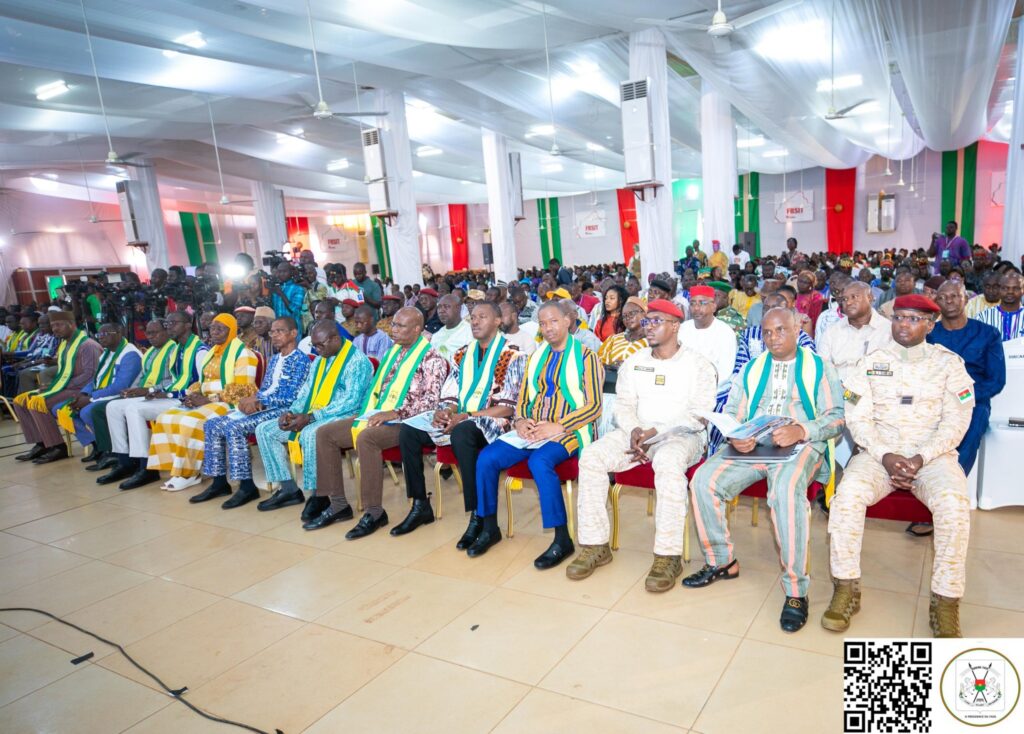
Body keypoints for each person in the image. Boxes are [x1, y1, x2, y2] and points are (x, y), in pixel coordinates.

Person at [685, 308, 845, 633]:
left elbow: (837, 417)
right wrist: (735, 433)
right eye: (767, 332)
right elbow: (731, 409)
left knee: (785, 492)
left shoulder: (818, 366)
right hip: (754, 445)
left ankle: (796, 591)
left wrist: (802, 430)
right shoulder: (753, 368)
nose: (773, 338)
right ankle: (721, 561)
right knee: (703, 480)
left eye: (780, 330)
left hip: (801, 445)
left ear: (798, 327)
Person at [825, 295, 973, 638]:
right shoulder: (871, 362)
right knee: (845, 499)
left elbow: (957, 420)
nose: (903, 325)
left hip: (933, 458)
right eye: (898, 317)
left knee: (953, 506)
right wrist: (885, 454)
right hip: (878, 457)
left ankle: (946, 602)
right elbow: (856, 415)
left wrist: (921, 457)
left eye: (912, 319)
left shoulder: (950, 365)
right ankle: (846, 588)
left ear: (930, 325)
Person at [568, 300, 717, 590]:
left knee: (668, 462)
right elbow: (622, 405)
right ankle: (595, 545)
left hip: (681, 436)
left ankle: (667, 555)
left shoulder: (698, 364)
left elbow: (699, 414)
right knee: (592, 456)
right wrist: (634, 429)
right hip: (635, 432)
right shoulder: (636, 362)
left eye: (656, 321)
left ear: (675, 325)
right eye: (647, 321)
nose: (648, 327)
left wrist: (656, 431)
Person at [470, 300, 603, 569]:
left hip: (570, 429)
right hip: (533, 427)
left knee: (539, 462)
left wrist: (560, 426)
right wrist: (520, 421)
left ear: (568, 320)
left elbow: (594, 405)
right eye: (543, 323)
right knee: (486, 458)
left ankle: (562, 538)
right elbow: (523, 397)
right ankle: (488, 526)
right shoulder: (536, 356)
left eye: (554, 321)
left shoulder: (586, 356)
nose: (548, 327)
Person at [310, 307, 449, 535]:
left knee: (367, 438)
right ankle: (337, 504)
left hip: (409, 422)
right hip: (379, 414)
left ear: (417, 329)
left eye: (400, 326)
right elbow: (377, 390)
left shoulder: (433, 359)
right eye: (393, 324)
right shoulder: (391, 353)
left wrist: (394, 413)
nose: (393, 330)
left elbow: (431, 403)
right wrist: (369, 412)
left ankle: (374, 512)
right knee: (325, 433)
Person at [396, 301, 527, 539]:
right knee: (408, 430)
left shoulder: (513, 356)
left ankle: (478, 515)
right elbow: (451, 394)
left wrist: (466, 416)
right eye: (473, 317)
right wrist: (446, 410)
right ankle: (419, 504)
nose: (475, 321)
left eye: (482, 317)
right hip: (462, 417)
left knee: (462, 432)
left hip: (495, 423)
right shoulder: (463, 354)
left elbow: (508, 409)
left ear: (498, 322)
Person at [254, 319, 372, 522]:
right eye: (314, 346)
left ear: (336, 339)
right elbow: (305, 392)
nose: (316, 350)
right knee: (265, 429)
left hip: (345, 416)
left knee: (310, 433)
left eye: (320, 345)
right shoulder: (319, 360)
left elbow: (350, 402)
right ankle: (288, 488)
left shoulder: (357, 362)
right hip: (314, 413)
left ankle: (320, 494)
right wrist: (291, 412)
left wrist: (311, 417)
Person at [195, 317, 311, 508]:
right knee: (212, 424)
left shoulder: (300, 360)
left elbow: (291, 397)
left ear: (293, 333)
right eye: (272, 332)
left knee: (234, 428)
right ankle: (219, 483)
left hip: (282, 411)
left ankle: (247, 487)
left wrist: (259, 401)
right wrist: (248, 401)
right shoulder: (274, 360)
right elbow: (264, 389)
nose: (274, 335)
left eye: (280, 331)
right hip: (265, 406)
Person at [147, 314, 258, 492]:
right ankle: (176, 469)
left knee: (190, 421)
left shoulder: (244, 353)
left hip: (229, 403)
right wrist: (192, 394)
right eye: (212, 328)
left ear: (232, 331)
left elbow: (243, 389)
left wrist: (209, 399)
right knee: (166, 417)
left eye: (220, 328)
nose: (214, 331)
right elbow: (201, 381)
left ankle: (188, 473)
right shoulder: (212, 352)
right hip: (207, 400)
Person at [928, 281, 1005, 475]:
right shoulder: (929, 335)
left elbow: (996, 380)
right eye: (943, 298)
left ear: (966, 298)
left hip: (974, 400)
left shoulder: (988, 334)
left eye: (954, 296)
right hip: (935, 398)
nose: (949, 301)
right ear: (936, 302)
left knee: (974, 423)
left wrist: (961, 397)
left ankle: (953, 483)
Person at [85, 319, 176, 475]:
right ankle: (124, 461)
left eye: (155, 332)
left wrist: (149, 390)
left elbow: (175, 381)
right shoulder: (150, 353)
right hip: (149, 394)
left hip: (165, 395)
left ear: (167, 332)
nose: (151, 336)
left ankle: (146, 468)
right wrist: (133, 391)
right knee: (112, 407)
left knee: (133, 410)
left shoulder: (173, 350)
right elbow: (143, 377)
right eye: (148, 333)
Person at [12, 311, 102, 464]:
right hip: (68, 387)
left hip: (81, 389)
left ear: (72, 325)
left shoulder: (87, 345)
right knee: (20, 401)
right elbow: (64, 373)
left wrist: (62, 385)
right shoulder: (65, 344)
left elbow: (90, 375)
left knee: (38, 403)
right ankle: (41, 443)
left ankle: (58, 446)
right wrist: (52, 386)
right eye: (53, 326)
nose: (55, 329)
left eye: (59, 325)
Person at [63, 323, 142, 462]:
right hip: (104, 393)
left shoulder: (130, 354)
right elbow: (96, 379)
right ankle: (98, 445)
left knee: (88, 411)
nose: (101, 338)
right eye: (99, 335)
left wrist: (91, 398)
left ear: (119, 332)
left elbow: (120, 386)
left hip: (122, 395)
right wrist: (84, 394)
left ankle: (111, 451)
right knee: (64, 408)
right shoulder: (106, 354)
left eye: (106, 334)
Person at [678, 285, 737, 451]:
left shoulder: (725, 332)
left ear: (714, 305)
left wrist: (698, 394)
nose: (696, 308)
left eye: (702, 303)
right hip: (684, 389)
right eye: (693, 303)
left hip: (715, 392)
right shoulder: (683, 329)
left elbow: (724, 374)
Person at [816, 282, 893, 385]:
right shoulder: (831, 332)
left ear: (870, 298)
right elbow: (822, 370)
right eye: (845, 299)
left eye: (854, 297)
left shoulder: (889, 330)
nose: (848, 303)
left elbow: (892, 373)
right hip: (838, 393)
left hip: (876, 393)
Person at [734, 292, 816, 376]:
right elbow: (740, 369)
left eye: (775, 308)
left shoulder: (800, 337)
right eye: (766, 308)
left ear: (786, 311)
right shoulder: (749, 334)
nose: (769, 312)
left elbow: (810, 369)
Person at [976, 271, 1024, 341]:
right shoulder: (983, 317)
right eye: (1005, 288)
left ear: (1023, 290)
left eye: (1016, 288)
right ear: (999, 289)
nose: (1010, 292)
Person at [430, 294, 472, 362]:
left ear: (459, 308)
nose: (441, 310)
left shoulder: (470, 332)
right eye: (439, 307)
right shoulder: (436, 336)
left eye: (446, 306)